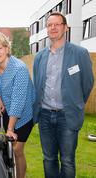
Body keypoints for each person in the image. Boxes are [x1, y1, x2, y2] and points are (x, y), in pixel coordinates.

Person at [33, 12, 94, 178]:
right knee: (48, 159)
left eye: (57, 24)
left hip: (67, 116)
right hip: (45, 116)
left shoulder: (79, 53)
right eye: (50, 25)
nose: (53, 28)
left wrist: (76, 104)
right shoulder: (39, 57)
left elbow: (88, 83)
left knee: (67, 160)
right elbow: (37, 85)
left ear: (65, 28)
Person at [0, 32, 36, 178]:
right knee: (8, 150)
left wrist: (10, 128)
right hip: (8, 112)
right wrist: (0, 103)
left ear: (7, 49)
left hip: (24, 114)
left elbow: (18, 102)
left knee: (17, 150)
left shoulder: (19, 69)